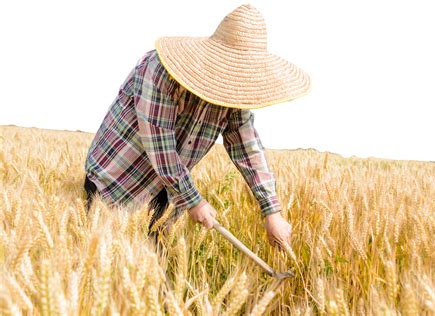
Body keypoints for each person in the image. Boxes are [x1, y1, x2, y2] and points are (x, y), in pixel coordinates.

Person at [83, 4, 311, 249]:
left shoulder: (233, 94)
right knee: (101, 263)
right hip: (115, 182)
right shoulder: (159, 70)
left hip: (165, 192)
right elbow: (160, 145)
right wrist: (194, 201)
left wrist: (272, 211)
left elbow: (246, 144)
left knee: (152, 274)